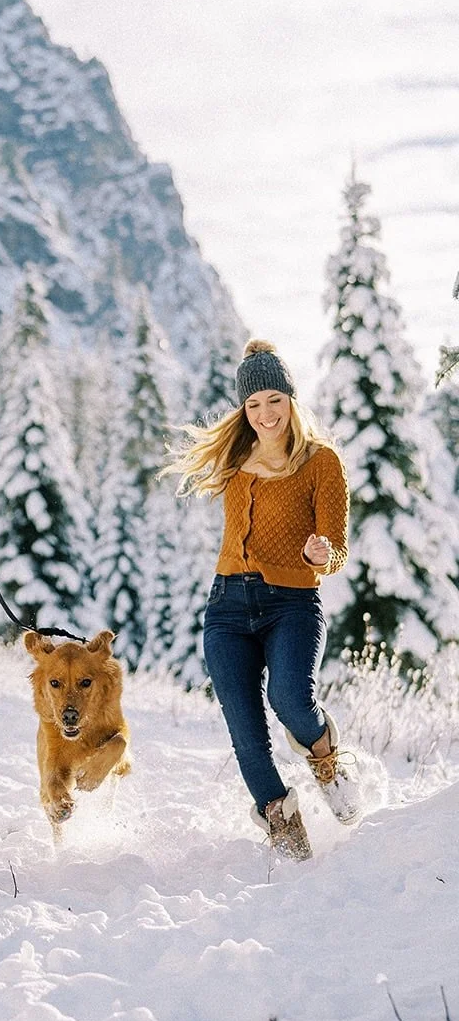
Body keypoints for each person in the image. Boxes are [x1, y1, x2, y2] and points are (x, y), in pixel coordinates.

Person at [166, 338, 361, 860]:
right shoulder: (235, 456)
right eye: (253, 404)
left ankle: (324, 756)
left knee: (292, 700)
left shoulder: (321, 462)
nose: (264, 413)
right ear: (243, 409)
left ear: (292, 400)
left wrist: (322, 554)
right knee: (245, 729)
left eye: (273, 399)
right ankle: (281, 820)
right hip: (227, 606)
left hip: (293, 603)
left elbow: (336, 547)